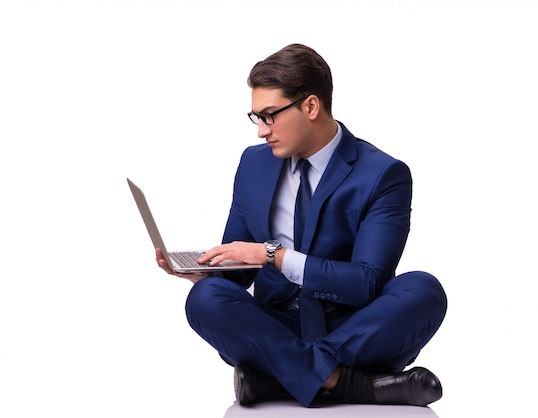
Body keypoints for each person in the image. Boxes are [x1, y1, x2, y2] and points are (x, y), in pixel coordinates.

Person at [156, 43, 447, 408]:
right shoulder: (253, 165)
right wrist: (205, 273)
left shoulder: (383, 174)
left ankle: (278, 376)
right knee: (206, 299)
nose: (261, 131)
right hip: (276, 325)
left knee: (424, 291)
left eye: (270, 115)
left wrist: (274, 256)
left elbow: (366, 282)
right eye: (256, 118)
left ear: (310, 106)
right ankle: (350, 384)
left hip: (354, 328)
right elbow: (239, 269)